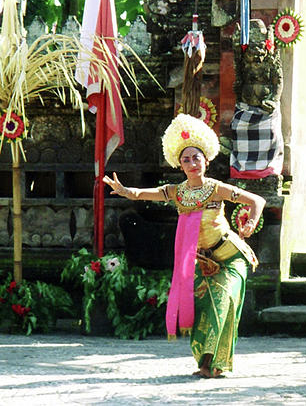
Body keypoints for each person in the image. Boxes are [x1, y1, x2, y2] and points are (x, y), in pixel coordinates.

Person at [102, 113, 263, 379]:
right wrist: (126, 191)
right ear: (180, 165)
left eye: (196, 158)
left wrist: (250, 222)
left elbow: (256, 200)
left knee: (221, 305)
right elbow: (145, 194)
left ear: (206, 161)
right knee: (198, 311)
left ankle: (213, 364)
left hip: (230, 257)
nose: (192, 163)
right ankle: (205, 361)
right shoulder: (177, 192)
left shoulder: (215, 189)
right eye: (186, 160)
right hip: (202, 261)